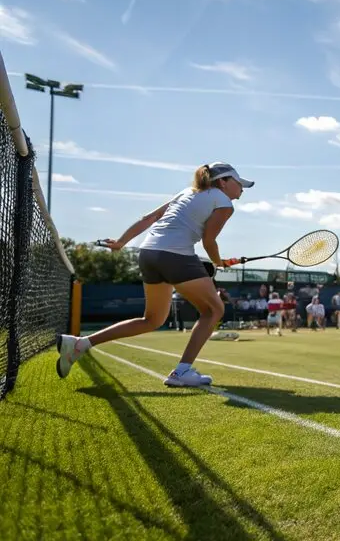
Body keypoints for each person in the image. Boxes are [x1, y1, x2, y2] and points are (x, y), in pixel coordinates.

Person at [54, 162, 254, 386]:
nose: (242, 189)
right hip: (175, 256)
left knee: (152, 319)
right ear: (223, 182)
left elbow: (149, 218)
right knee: (214, 309)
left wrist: (121, 242)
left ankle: (81, 344)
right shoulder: (224, 203)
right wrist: (219, 262)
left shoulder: (187, 192)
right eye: (239, 183)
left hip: (148, 254)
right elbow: (209, 240)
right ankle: (181, 372)